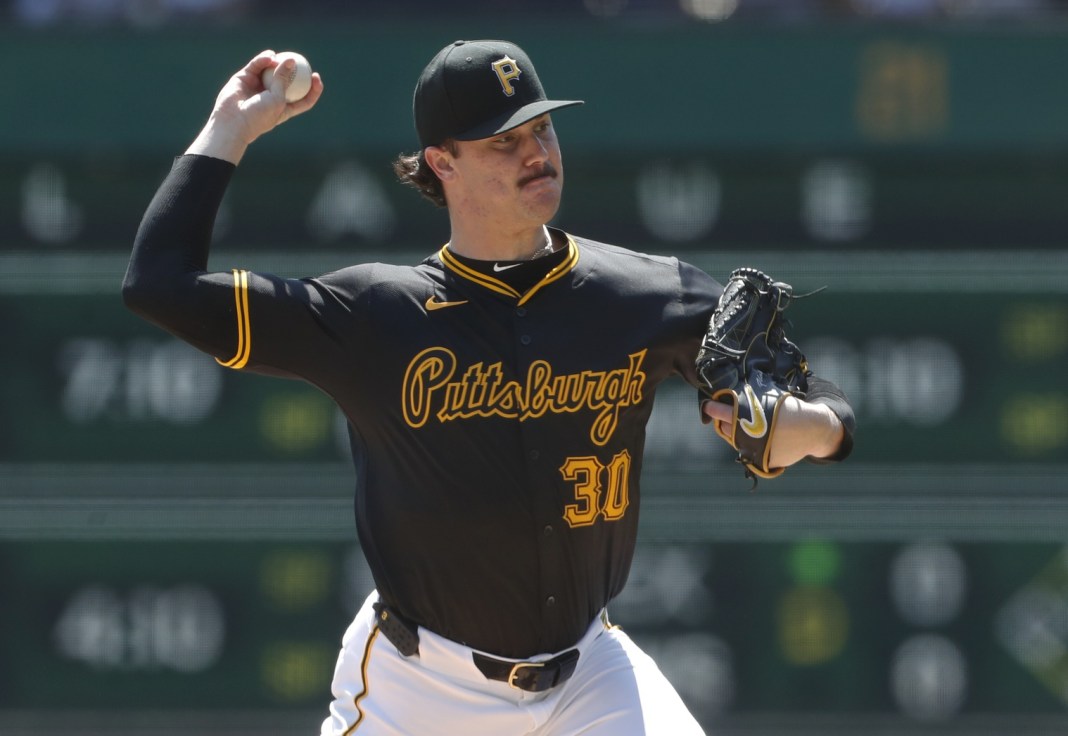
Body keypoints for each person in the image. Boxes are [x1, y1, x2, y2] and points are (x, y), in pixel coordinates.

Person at [123, 40, 855, 735]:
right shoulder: (374, 315)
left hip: (588, 675)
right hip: (419, 689)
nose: (536, 151)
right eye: (504, 140)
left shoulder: (643, 294)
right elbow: (159, 285)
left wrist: (812, 428)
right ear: (442, 163)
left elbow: (820, 400)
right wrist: (229, 130)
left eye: (541, 128)